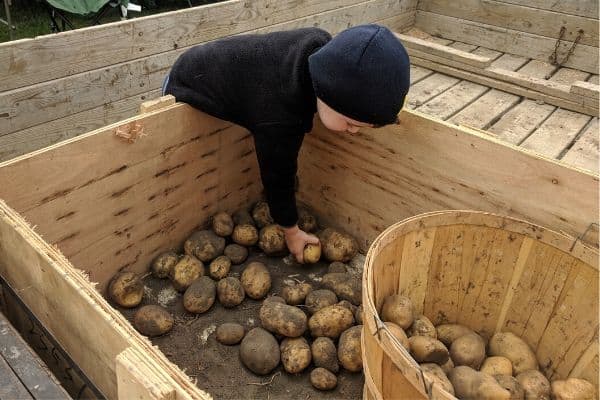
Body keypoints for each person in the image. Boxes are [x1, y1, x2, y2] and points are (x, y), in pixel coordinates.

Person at [163, 24, 410, 262]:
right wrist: (291, 231)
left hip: (219, 66)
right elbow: (276, 175)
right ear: (328, 95)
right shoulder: (279, 115)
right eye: (350, 123)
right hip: (187, 85)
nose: (353, 131)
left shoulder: (318, 50)